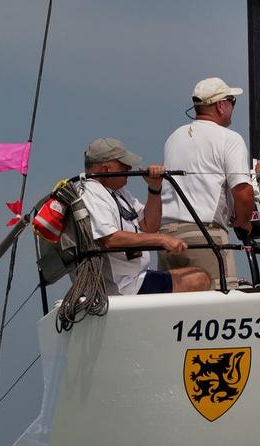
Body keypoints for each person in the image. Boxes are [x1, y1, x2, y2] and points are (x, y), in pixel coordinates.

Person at [82, 138, 211, 295]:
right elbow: (110, 239)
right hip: (123, 286)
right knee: (199, 279)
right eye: (123, 164)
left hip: (137, 278)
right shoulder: (91, 192)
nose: (129, 168)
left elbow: (150, 226)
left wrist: (154, 188)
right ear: (106, 169)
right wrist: (161, 239)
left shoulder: (118, 192)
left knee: (199, 274)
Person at [160, 77, 253, 287]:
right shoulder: (229, 138)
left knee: (176, 309)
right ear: (220, 105)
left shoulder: (174, 137)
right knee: (219, 307)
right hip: (205, 235)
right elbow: (243, 191)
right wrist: (244, 222)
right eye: (232, 101)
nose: (232, 106)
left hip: (166, 237)